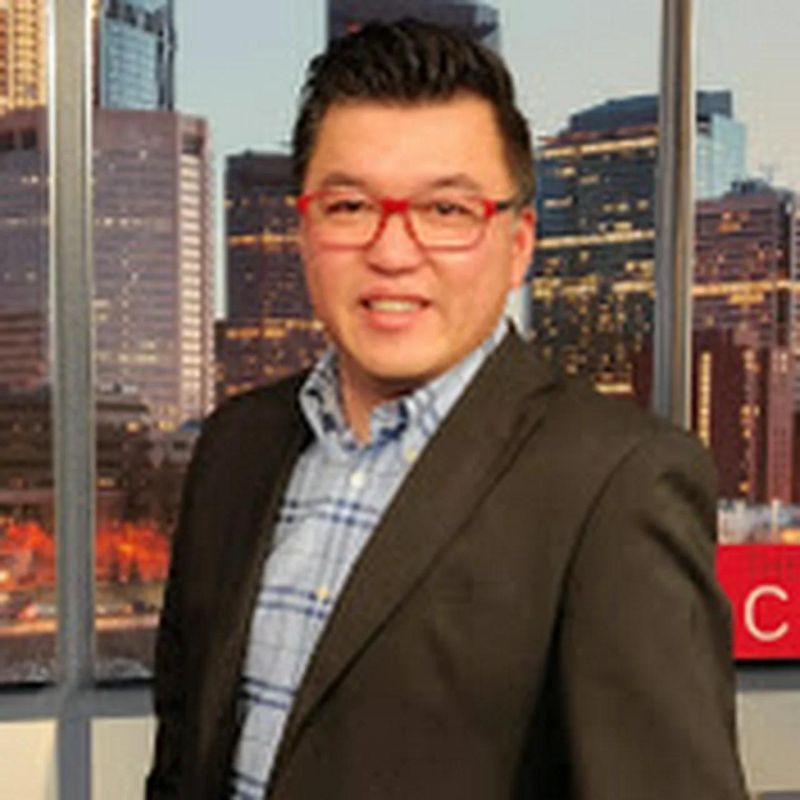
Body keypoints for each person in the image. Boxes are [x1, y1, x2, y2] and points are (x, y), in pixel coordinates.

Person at [147, 19, 747, 800]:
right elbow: (183, 761)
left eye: (447, 212)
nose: (393, 252)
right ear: (304, 230)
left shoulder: (616, 484)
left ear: (519, 244)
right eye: (350, 205)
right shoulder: (237, 445)